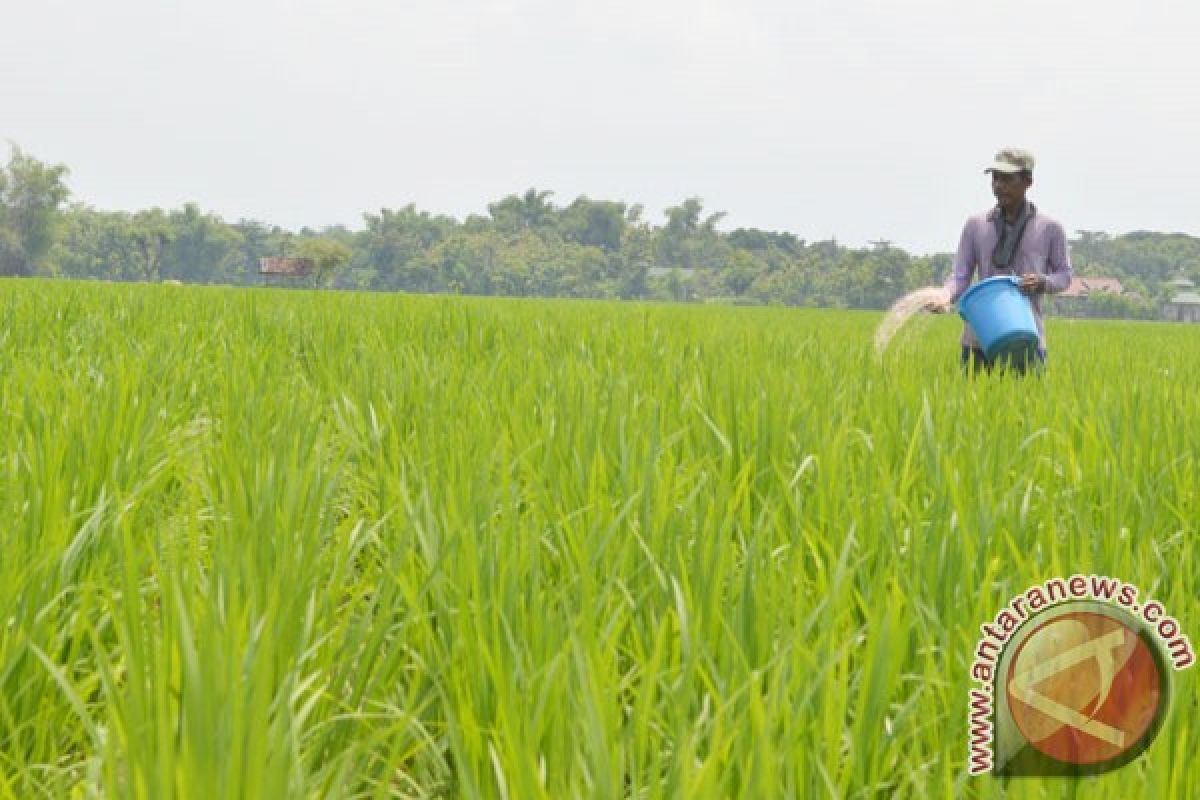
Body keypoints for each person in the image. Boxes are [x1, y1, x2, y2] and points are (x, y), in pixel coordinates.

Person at [928, 148, 1073, 373]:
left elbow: (1064, 276)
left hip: (1026, 337)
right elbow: (961, 275)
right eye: (995, 178)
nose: (998, 186)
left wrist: (1041, 281)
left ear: (1028, 181)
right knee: (974, 406)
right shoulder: (976, 225)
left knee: (1029, 406)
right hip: (978, 339)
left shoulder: (1050, 229)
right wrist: (945, 296)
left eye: (1007, 179)